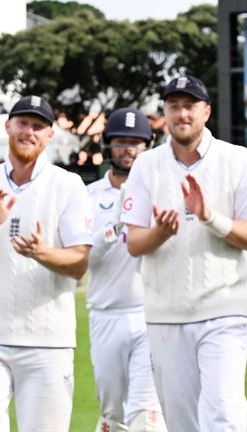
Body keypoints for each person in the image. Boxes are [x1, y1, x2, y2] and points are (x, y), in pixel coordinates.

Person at [0, 95, 92, 431]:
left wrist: (42, 253)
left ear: (50, 135)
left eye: (38, 126)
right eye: (23, 122)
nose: (29, 131)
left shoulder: (67, 185)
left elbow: (79, 262)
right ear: (8, 125)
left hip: (48, 341)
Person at [121, 75, 247, 431]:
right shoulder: (146, 165)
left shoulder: (237, 160)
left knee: (224, 414)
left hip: (226, 309)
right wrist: (160, 233)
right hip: (166, 313)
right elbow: (134, 243)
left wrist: (210, 217)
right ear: (164, 114)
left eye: (189, 105)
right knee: (182, 422)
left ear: (206, 112)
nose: (182, 114)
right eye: (173, 106)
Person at [87, 107, 166, 432]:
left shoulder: (160, 190)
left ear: (147, 146)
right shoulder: (89, 195)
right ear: (108, 146)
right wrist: (112, 228)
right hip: (105, 314)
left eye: (136, 143)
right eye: (121, 142)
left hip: (151, 313)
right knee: (113, 415)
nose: (128, 149)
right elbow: (82, 260)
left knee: (145, 413)